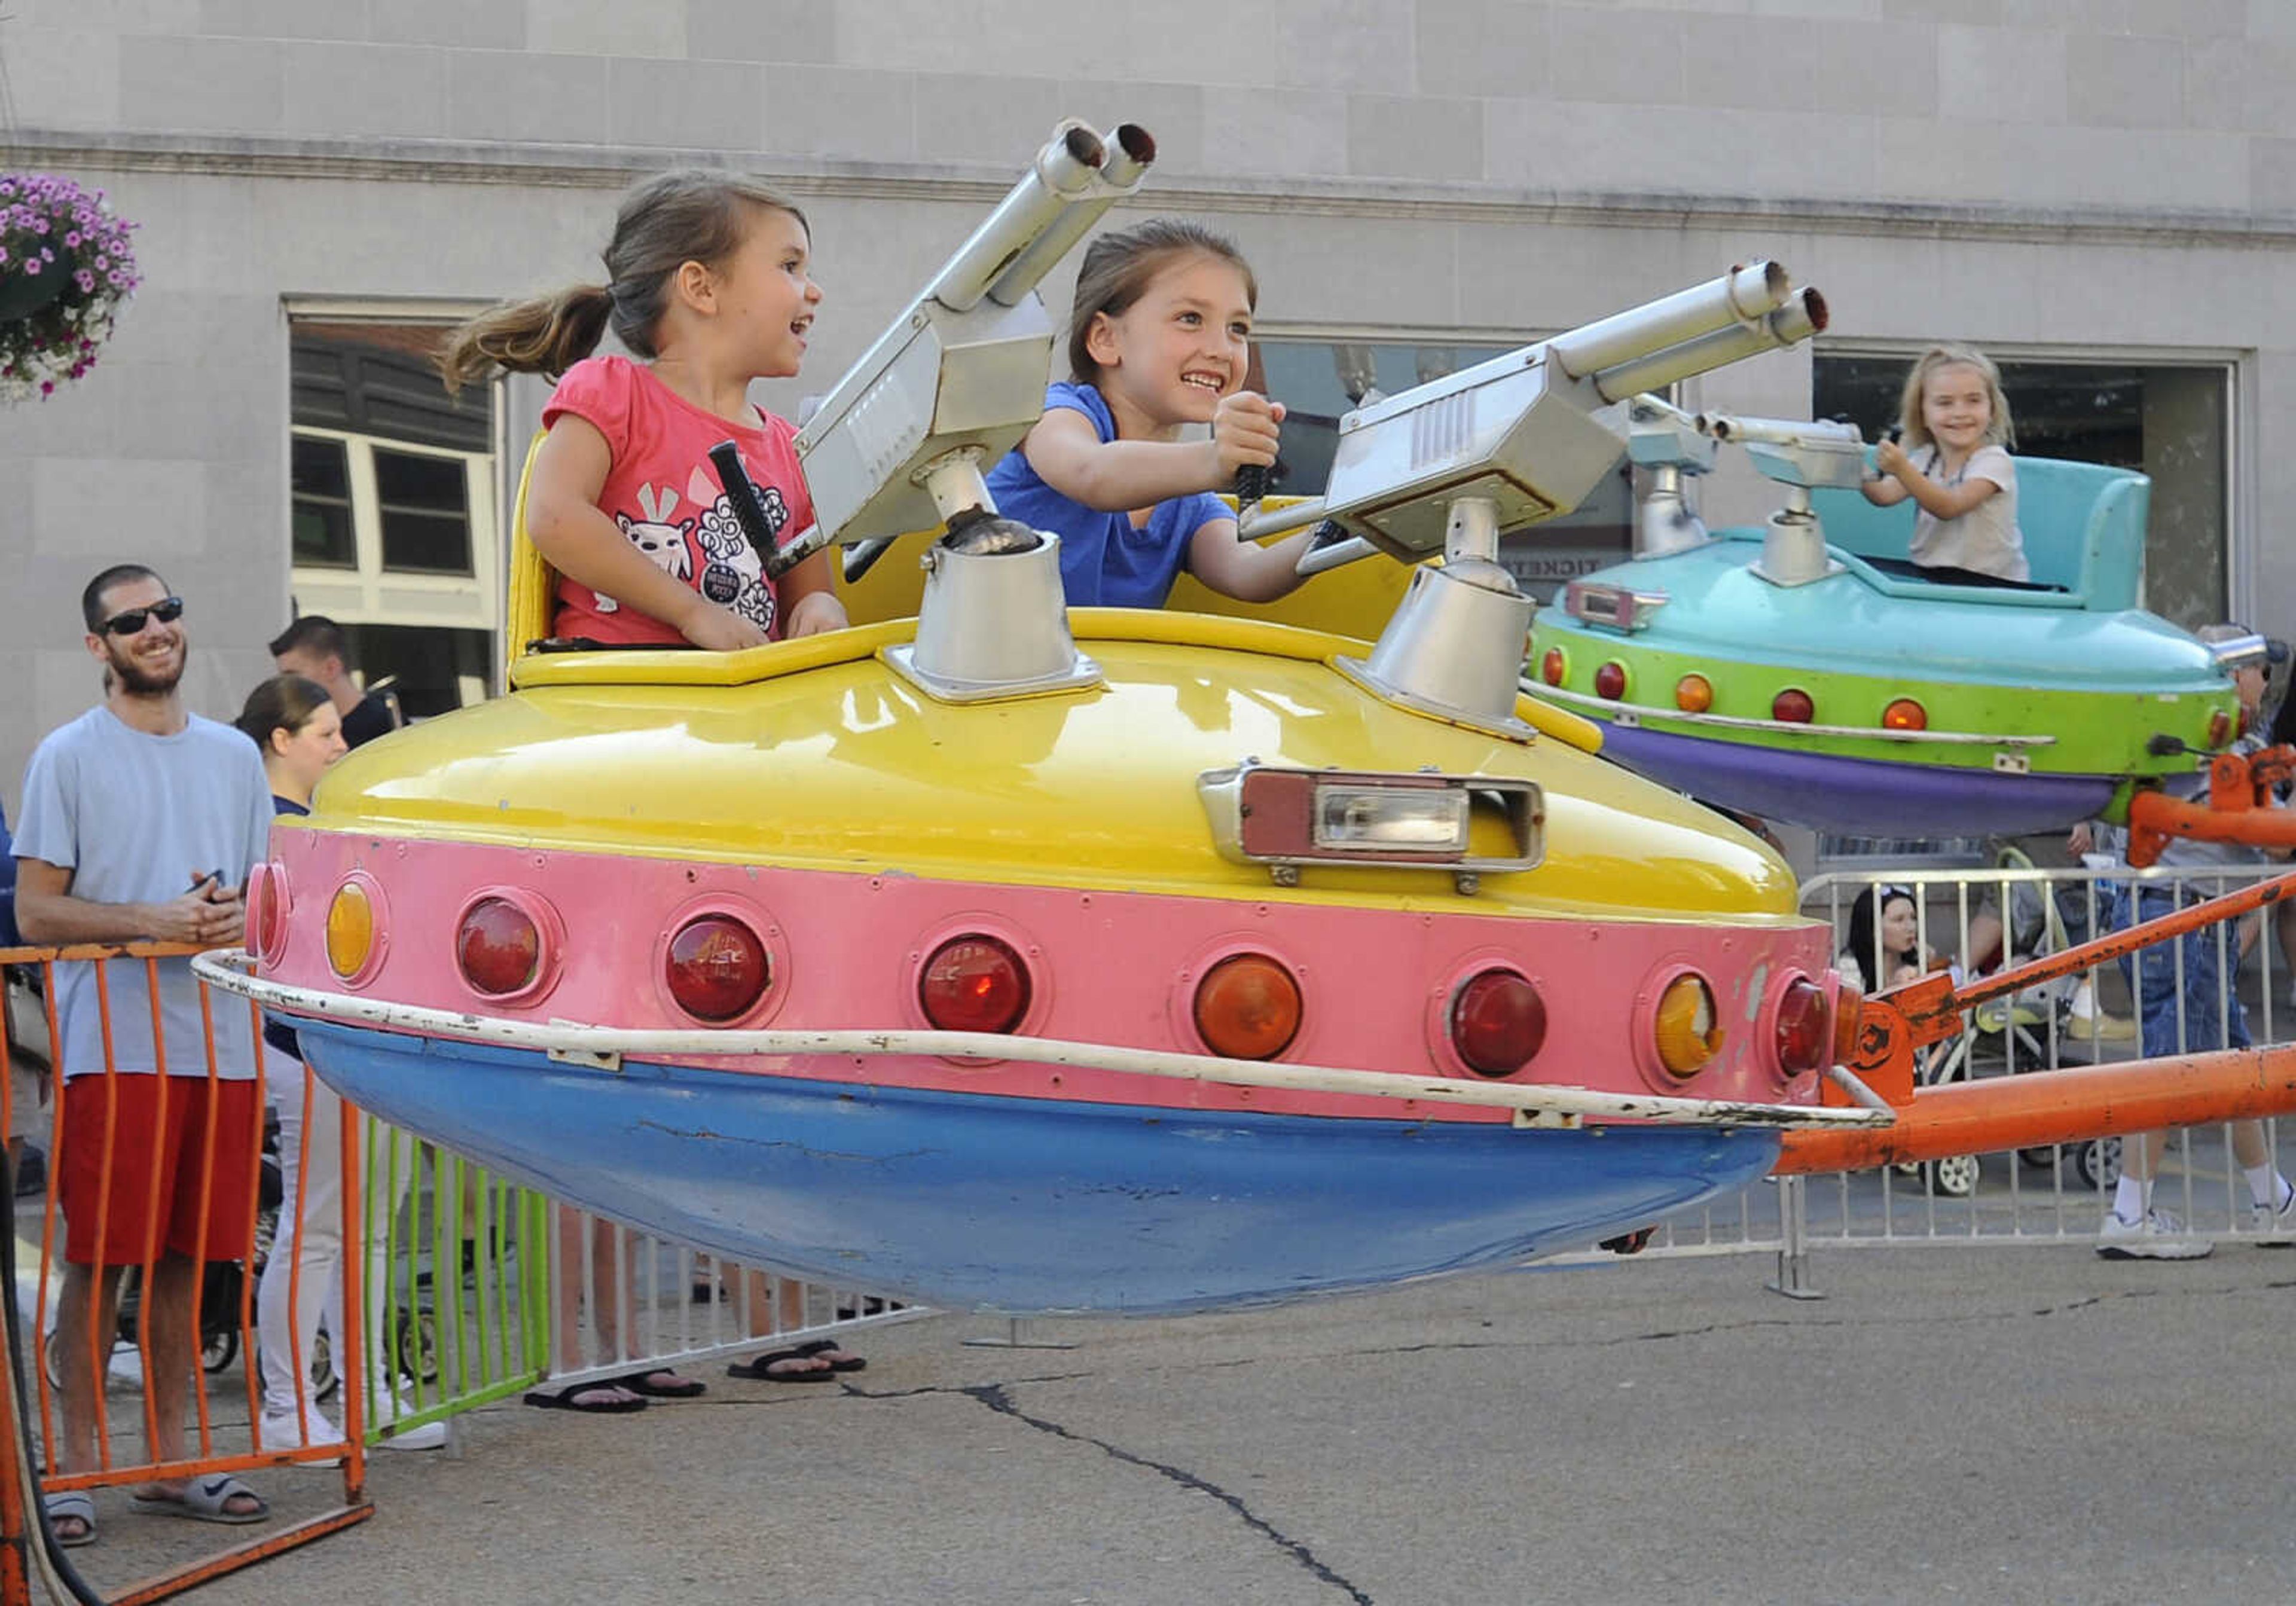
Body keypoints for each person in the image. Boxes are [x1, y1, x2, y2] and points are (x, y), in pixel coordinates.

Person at [11, 566, 275, 1546]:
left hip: (224, 1044)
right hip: (113, 1048)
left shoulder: (235, 757)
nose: (157, 629)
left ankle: (177, 1462)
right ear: (99, 646)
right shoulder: (67, 758)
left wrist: (222, 917)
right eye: (132, 621)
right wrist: (153, 919)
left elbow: (263, 894)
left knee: (187, 1262)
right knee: (99, 1259)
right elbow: (38, 909)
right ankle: (75, 1467)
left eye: (167, 612)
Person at [435, 169, 847, 649]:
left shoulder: (790, 450)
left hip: (744, 706)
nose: (814, 290)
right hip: (621, 695)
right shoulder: (612, 393)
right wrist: (691, 612)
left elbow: (808, 589)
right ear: (701, 288)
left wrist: (821, 608)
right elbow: (555, 517)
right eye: (790, 266)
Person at [236, 674, 446, 1454]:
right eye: (326, 734)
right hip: (309, 1045)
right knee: (319, 1227)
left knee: (368, 1231)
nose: (341, 746)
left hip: (354, 1043)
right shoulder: (269, 824)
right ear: (282, 740)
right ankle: (290, 1403)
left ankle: (366, 1393)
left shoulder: (320, 818)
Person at [983, 218, 1318, 609]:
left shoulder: (1188, 500)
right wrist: (1215, 459)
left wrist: (1347, 521)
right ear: (1105, 339)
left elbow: (1248, 572)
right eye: (1191, 319)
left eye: (1238, 328)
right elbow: (1092, 474)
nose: (1222, 350)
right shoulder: (1054, 417)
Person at [2096, 624, 2295, 1260]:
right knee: (2172, 1066)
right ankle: (2130, 1213)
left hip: (2171, 910)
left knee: (2231, 1063)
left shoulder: (2175, 733)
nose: (2267, 682)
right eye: (2261, 670)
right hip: (2180, 913)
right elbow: (2273, 841)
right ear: (2236, 677)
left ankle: (2274, 1201)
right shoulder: (2223, 747)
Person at [1861, 343, 2028, 584]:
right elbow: (1883, 495)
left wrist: (1901, 468)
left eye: (1974, 400)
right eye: (1944, 403)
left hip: (1994, 588)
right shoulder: (1926, 458)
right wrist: (1849, 462)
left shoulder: (1993, 461)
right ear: (1923, 414)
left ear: (1991, 408)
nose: (1960, 412)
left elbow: (1949, 507)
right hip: (1935, 582)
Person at [267, 616, 402, 749]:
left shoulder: (387, 730)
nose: (286, 685)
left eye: (293, 675)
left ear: (331, 668)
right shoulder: (300, 730)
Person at [1837, 884, 1946, 992]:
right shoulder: (1849, 965)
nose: (1911, 927)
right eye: (1899, 919)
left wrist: (1927, 968)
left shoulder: (1917, 964)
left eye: (1913, 918)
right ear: (1871, 926)